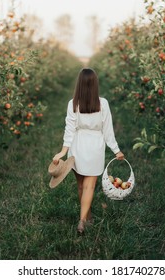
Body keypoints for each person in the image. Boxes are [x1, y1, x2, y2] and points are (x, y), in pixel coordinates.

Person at [52, 68, 124, 234]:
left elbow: (69, 130)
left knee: (80, 186)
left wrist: (63, 152)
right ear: (95, 85)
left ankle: (86, 218)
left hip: (78, 147)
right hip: (95, 148)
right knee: (89, 187)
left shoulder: (73, 103)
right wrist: (116, 150)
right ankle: (83, 220)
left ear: (79, 85)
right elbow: (108, 130)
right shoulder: (102, 103)